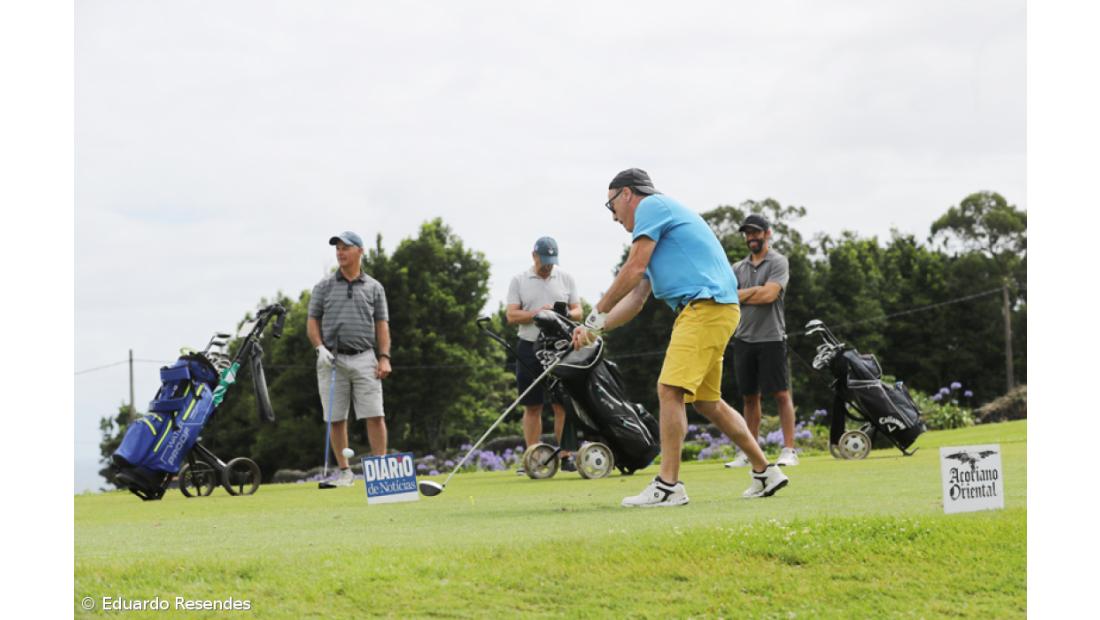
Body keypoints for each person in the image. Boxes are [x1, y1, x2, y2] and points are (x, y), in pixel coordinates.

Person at [572, 168, 788, 507]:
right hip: (716, 308)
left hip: (705, 307)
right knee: (707, 402)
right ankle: (766, 472)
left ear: (627, 194)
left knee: (669, 389)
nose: (613, 216)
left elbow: (632, 269)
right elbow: (636, 298)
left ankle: (668, 485)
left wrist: (593, 314)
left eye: (611, 205)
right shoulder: (656, 235)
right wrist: (595, 329)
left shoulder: (652, 207)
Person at [307, 231, 392, 487]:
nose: (340, 253)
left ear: (360, 251)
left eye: (346, 248)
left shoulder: (374, 287)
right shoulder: (323, 286)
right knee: (335, 417)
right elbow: (312, 321)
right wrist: (319, 347)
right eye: (338, 248)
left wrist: (384, 357)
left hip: (365, 357)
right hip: (331, 359)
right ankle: (345, 473)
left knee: (375, 414)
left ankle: (381, 472)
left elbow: (382, 325)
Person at [725, 214, 800, 468]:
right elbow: (728, 297)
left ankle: (789, 450)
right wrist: (752, 292)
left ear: (767, 233)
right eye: (747, 233)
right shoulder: (737, 268)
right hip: (744, 338)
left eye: (756, 233)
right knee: (749, 397)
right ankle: (750, 451)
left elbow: (769, 295)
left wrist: (744, 294)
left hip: (772, 337)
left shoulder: (778, 262)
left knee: (780, 394)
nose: (751, 238)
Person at [506, 236, 583, 472]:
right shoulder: (519, 280)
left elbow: (578, 310)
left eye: (552, 261)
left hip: (559, 348)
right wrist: (538, 313)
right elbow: (512, 316)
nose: (548, 265)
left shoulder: (565, 278)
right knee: (533, 405)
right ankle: (534, 458)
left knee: (562, 404)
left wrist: (562, 316)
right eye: (544, 260)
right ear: (534, 256)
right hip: (529, 347)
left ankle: (566, 455)